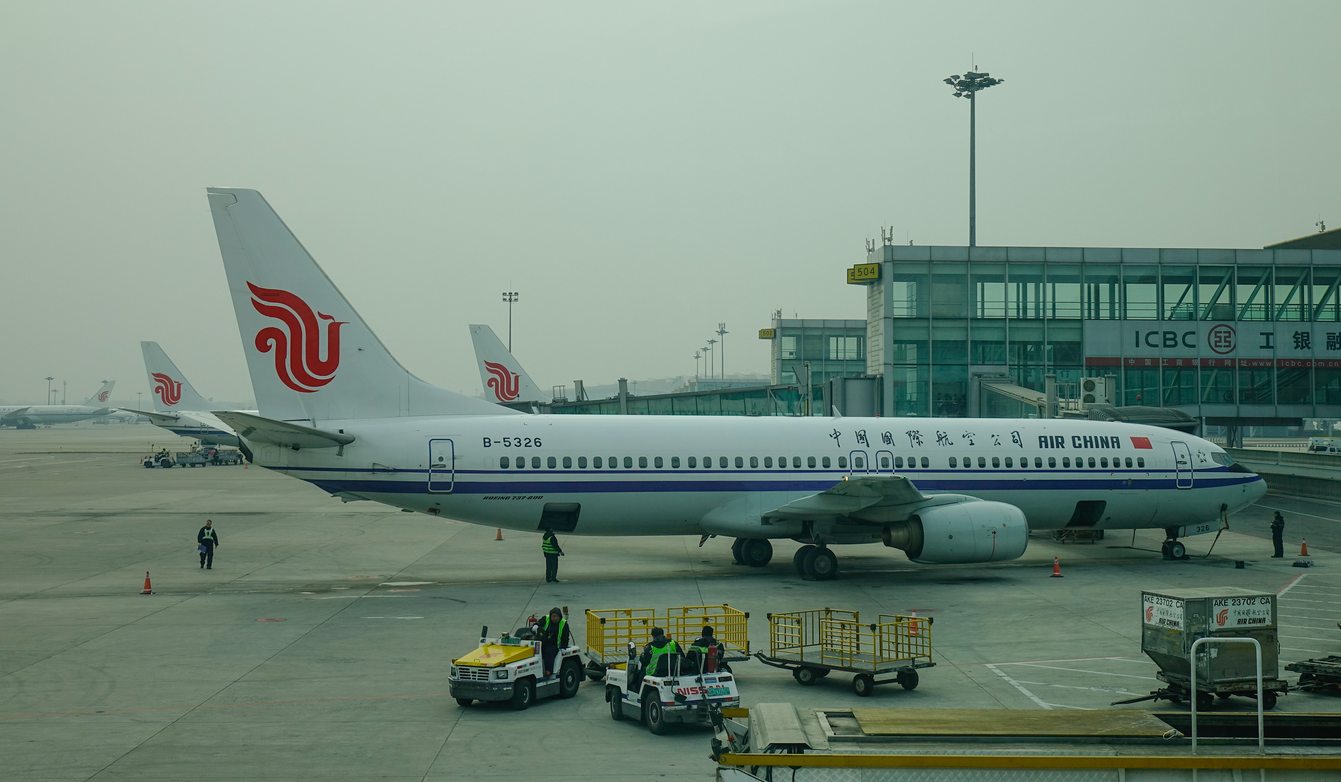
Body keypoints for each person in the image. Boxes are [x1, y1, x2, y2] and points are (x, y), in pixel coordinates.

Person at [533, 607, 570, 677]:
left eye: (557, 616)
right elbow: (539, 622)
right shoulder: (546, 618)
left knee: (549, 652)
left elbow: (565, 637)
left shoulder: (564, 624)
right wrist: (536, 625)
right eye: (553, 616)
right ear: (551, 616)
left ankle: (548, 670)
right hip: (543, 641)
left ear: (560, 616)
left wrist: (563, 647)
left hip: (554, 644)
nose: (555, 618)